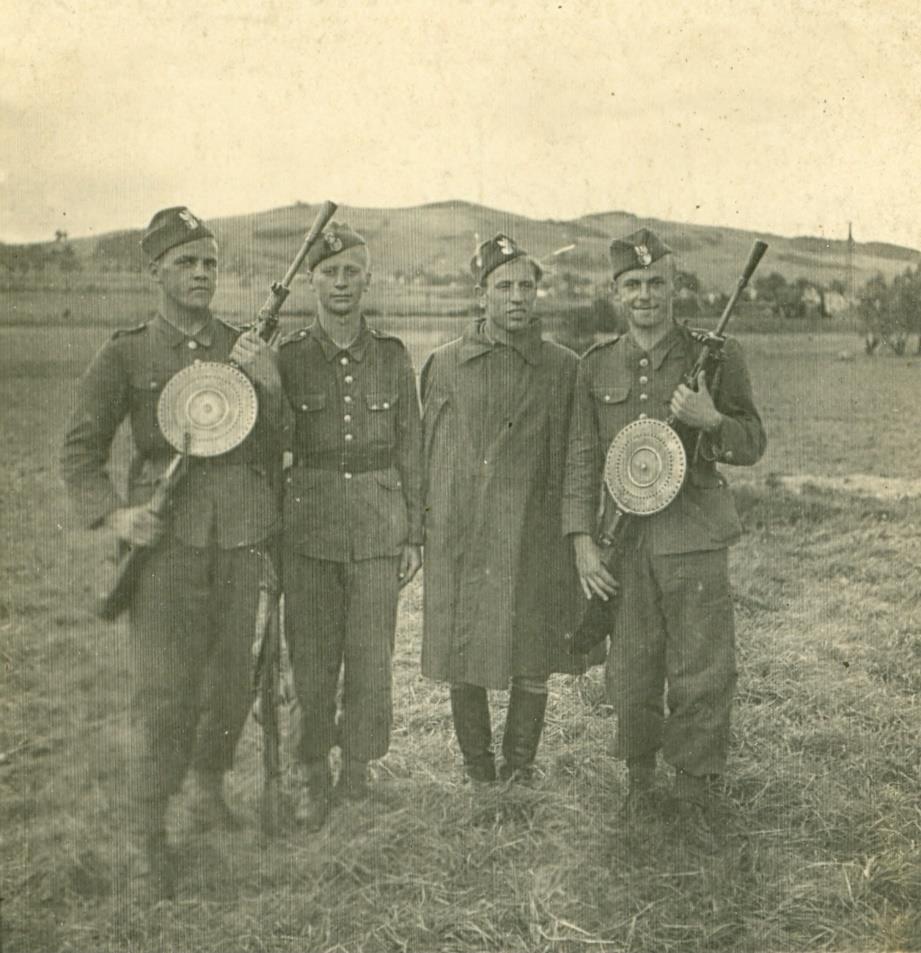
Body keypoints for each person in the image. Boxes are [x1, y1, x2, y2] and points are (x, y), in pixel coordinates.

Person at [60, 207, 285, 901]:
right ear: (154, 270)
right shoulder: (126, 353)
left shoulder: (242, 347)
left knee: (227, 686)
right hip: (165, 551)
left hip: (238, 539)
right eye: (187, 262)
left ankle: (209, 787)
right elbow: (80, 450)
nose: (201, 274)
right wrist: (116, 514)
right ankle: (149, 835)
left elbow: (274, 439)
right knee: (165, 696)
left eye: (210, 262)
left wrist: (268, 380)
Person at [563, 228, 767, 847]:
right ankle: (639, 783)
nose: (646, 295)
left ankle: (695, 792)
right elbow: (579, 456)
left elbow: (753, 441)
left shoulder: (717, 357)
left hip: (695, 534)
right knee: (629, 669)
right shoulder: (596, 365)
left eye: (656, 283)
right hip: (624, 546)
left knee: (702, 668)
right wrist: (581, 539)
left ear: (674, 286)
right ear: (616, 292)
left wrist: (712, 420)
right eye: (633, 285)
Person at [420, 233, 583, 785]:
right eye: (504, 285)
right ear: (481, 293)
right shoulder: (445, 364)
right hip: (465, 535)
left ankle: (520, 765)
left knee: (531, 649)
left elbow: (575, 453)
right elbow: (429, 453)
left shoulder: (563, 368)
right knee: (465, 646)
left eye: (527, 286)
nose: (517, 297)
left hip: (535, 535)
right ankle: (477, 767)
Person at [277, 222, 423, 831]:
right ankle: (311, 773)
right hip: (307, 530)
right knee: (310, 660)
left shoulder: (391, 357)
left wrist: (414, 532)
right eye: (330, 272)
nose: (341, 283)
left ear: (368, 279)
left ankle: (358, 772)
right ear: (312, 280)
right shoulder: (286, 358)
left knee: (370, 658)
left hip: (377, 529)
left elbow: (411, 446)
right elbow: (269, 447)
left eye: (351, 272)